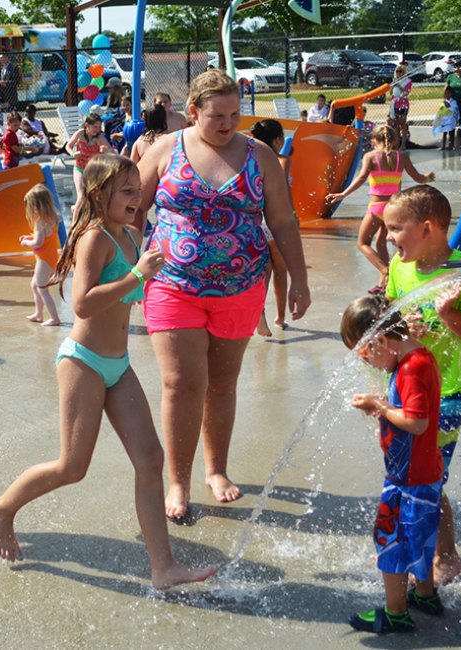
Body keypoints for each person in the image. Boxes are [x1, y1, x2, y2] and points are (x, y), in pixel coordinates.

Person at [0, 154, 215, 590]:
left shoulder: (128, 236)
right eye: (126, 191)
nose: (136, 197)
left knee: (150, 459)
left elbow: (132, 292)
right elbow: (83, 302)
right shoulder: (95, 238)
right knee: (73, 467)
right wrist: (136, 275)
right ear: (98, 195)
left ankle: (162, 568)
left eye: (136, 189)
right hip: (83, 362)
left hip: (118, 363)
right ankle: (2, 508)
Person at [134, 70, 311, 519]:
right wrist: (123, 272)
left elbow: (284, 220)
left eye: (235, 114)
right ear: (193, 112)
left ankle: (216, 470)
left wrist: (300, 278)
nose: (228, 123)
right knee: (180, 384)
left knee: (221, 384)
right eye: (217, 115)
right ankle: (177, 481)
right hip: (172, 283)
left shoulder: (260, 156)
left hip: (241, 285)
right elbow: (128, 209)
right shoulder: (164, 149)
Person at [383, 185, 461, 585]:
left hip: (447, 392)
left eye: (396, 228)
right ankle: (432, 550)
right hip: (406, 385)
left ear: (428, 228)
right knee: (417, 475)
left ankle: (444, 554)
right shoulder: (399, 266)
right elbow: (393, 317)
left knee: (427, 476)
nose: (389, 238)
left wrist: (447, 314)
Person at [341, 295, 445, 634]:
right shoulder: (416, 358)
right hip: (421, 472)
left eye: (365, 353)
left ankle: (396, 613)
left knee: (390, 541)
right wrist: (386, 407)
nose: (367, 362)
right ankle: (425, 594)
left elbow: (417, 423)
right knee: (421, 536)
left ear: (380, 340)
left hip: (407, 480)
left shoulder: (411, 367)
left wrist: (380, 407)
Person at [326, 125, 435, 293]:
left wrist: (342, 194)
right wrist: (428, 177)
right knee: (380, 243)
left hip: (377, 208)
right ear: (394, 140)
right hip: (394, 209)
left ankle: (385, 270)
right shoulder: (402, 158)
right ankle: (385, 283)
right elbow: (419, 178)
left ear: (375, 142)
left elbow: (361, 178)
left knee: (362, 243)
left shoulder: (371, 157)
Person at [249, 119, 293, 336]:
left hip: (257, 222)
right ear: (278, 140)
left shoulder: (250, 159)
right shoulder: (280, 161)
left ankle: (259, 313)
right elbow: (284, 194)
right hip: (274, 222)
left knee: (263, 270)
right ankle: (280, 317)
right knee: (280, 270)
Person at [19, 183, 60, 326]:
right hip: (49, 258)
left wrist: (26, 243)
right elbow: (44, 238)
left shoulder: (40, 222)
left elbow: (38, 242)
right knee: (34, 285)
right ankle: (38, 313)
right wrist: (29, 237)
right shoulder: (50, 218)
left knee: (42, 288)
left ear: (37, 206)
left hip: (44, 260)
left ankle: (54, 318)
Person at [65, 113, 112, 203]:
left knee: (95, 197)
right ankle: (76, 216)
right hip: (79, 168)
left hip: (93, 170)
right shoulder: (80, 133)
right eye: (95, 127)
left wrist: (106, 151)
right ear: (87, 125)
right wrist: (73, 153)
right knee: (81, 197)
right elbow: (68, 146)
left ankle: (77, 209)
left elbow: (110, 150)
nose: (97, 130)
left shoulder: (99, 136)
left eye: (99, 127)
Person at [443, 63, 461, 149]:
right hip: (452, 104)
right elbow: (446, 89)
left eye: (458, 66)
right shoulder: (450, 77)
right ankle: (451, 143)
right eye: (455, 67)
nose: (456, 68)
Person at [388, 64, 412, 150]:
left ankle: (403, 144)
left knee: (403, 124)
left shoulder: (407, 81)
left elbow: (406, 93)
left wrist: (399, 86)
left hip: (403, 104)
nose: (399, 73)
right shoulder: (395, 81)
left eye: (400, 71)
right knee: (396, 124)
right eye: (397, 71)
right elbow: (391, 93)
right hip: (395, 103)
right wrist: (393, 86)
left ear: (404, 72)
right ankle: (397, 143)